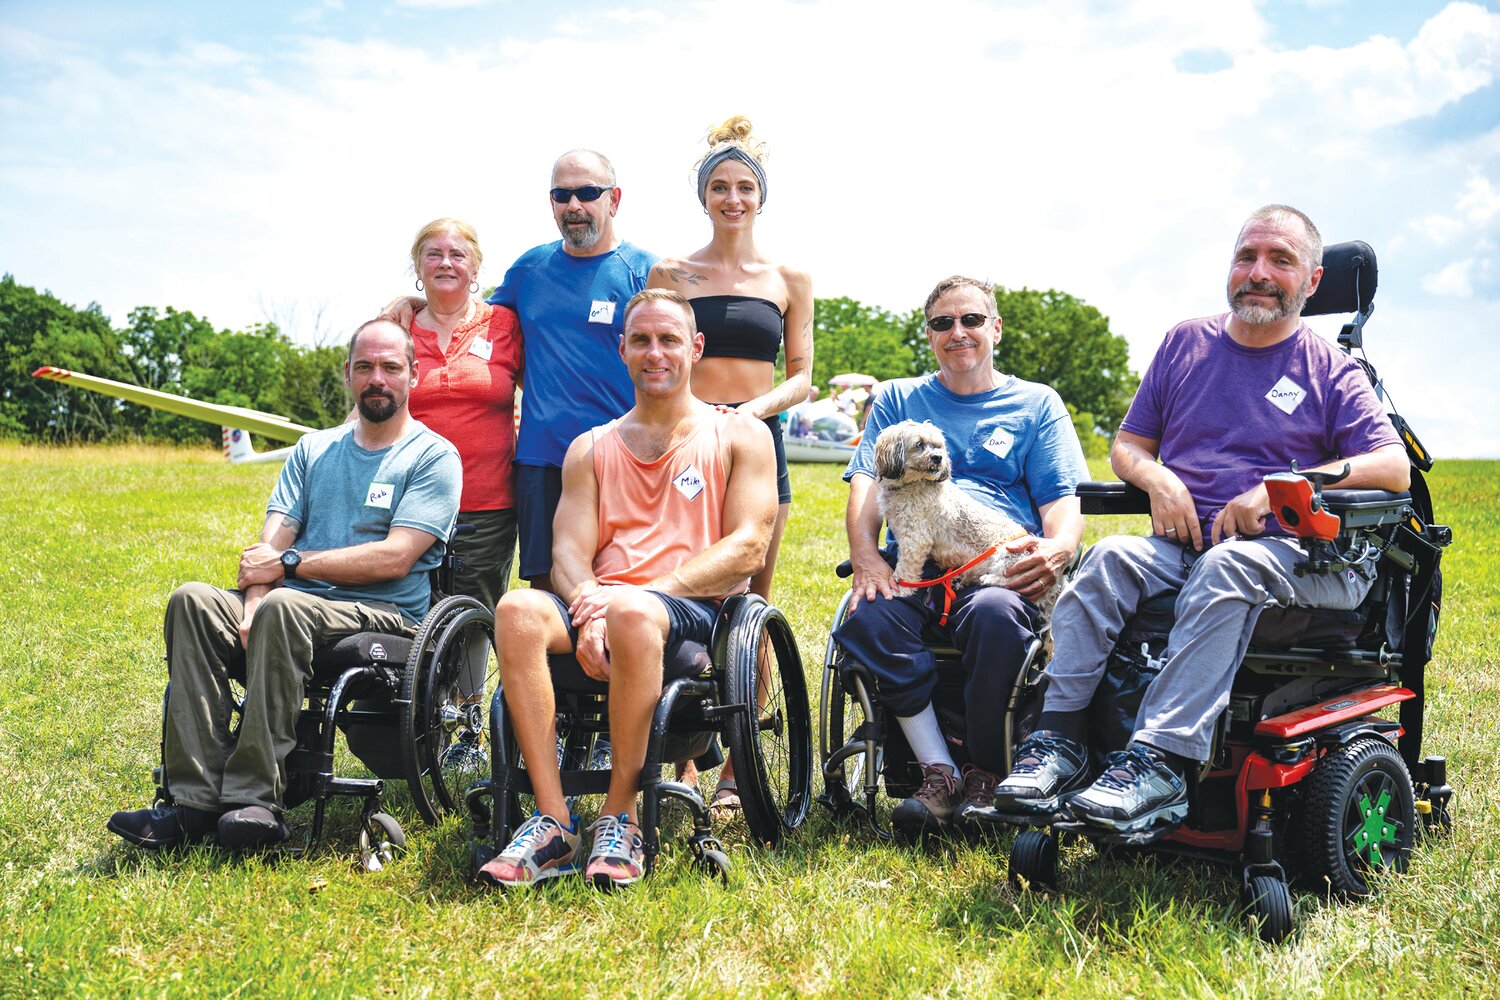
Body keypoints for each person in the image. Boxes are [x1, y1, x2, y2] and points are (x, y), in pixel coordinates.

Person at [992, 205, 1410, 844]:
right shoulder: (1186, 343)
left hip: (1309, 560)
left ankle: (1161, 759)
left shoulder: (1330, 369)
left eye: (1280, 261)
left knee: (1229, 565)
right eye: (1247, 257)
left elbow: (1392, 467)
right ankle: (1061, 739)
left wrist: (1278, 494)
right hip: (1191, 544)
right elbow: (1129, 446)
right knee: (1107, 560)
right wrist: (1158, 480)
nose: (1258, 274)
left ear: (1313, 281)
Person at [107, 320, 461, 850]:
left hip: (386, 614)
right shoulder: (314, 449)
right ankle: (193, 801)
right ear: (347, 374)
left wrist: (288, 572)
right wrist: (252, 605)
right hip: (291, 605)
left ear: (414, 374)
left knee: (286, 605)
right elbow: (264, 556)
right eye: (364, 367)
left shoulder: (434, 456)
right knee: (193, 602)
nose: (377, 378)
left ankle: (254, 800)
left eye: (391, 367)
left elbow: (395, 557)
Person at [476, 289, 776, 889]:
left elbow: (748, 546)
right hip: (609, 603)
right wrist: (590, 607)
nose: (654, 352)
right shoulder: (591, 447)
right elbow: (567, 550)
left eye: (668, 340)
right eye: (640, 340)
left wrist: (632, 598)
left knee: (637, 610)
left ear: (695, 348)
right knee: (517, 609)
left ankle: (621, 815)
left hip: (693, 608)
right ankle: (554, 820)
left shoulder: (740, 435)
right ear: (622, 349)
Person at [833, 276, 1089, 840]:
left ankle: (988, 771)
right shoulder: (899, 399)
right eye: (943, 323)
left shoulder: (1036, 404)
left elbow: (1063, 503)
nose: (958, 333)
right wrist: (868, 558)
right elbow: (865, 486)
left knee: (997, 615)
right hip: (916, 565)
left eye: (971, 320)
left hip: (996, 563)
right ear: (929, 335)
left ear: (994, 328)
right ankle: (939, 772)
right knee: (869, 616)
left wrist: (1059, 549)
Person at [382, 151, 655, 594]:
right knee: (547, 592)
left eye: (587, 193)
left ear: (614, 199)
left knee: (626, 580)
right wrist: (409, 304)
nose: (574, 205)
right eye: (561, 194)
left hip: (623, 453)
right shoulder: (530, 271)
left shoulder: (646, 271)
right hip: (541, 461)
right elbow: (465, 312)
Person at [645, 115, 813, 812]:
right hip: (684, 447)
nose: (733, 198)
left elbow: (802, 374)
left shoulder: (789, 277)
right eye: (720, 186)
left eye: (745, 186)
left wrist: (750, 412)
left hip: (754, 444)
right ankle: (683, 758)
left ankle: (736, 774)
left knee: (749, 604)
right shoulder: (670, 272)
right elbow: (655, 361)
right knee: (675, 594)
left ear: (761, 196)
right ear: (703, 195)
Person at [403, 218, 523, 612]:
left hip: (487, 508)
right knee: (406, 618)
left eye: (457, 254)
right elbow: (370, 407)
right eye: (433, 254)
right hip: (407, 504)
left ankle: (469, 680)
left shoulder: (504, 324)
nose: (445, 263)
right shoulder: (397, 329)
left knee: (473, 615)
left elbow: (542, 393)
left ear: (475, 269)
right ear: (418, 267)